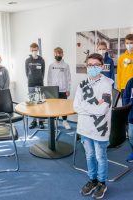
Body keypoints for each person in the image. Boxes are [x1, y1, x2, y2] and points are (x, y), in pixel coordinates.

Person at [74, 53, 113, 199]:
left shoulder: (106, 84)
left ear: (102, 66)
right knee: (89, 155)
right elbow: (76, 106)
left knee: (100, 156)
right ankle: (93, 180)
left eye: (96, 65)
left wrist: (86, 106)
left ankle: (102, 183)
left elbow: (103, 109)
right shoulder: (82, 84)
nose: (93, 67)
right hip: (84, 127)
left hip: (100, 128)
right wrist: (93, 106)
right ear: (86, 66)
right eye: (90, 65)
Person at [47, 47, 71, 129]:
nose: (58, 55)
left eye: (60, 53)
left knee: (64, 107)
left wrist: (68, 89)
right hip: (53, 90)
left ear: (62, 54)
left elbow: (68, 78)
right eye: (56, 53)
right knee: (53, 107)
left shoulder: (66, 65)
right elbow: (49, 78)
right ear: (54, 54)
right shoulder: (51, 65)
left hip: (63, 90)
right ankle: (54, 122)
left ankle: (65, 121)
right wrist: (49, 90)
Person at [25, 42, 45, 129]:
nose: (34, 51)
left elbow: (43, 72)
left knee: (40, 103)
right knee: (32, 103)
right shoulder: (27, 61)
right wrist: (31, 79)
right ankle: (34, 121)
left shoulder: (41, 60)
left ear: (38, 50)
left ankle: (41, 121)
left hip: (40, 83)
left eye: (36, 50)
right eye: (33, 50)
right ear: (30, 50)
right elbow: (26, 72)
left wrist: (40, 79)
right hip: (31, 84)